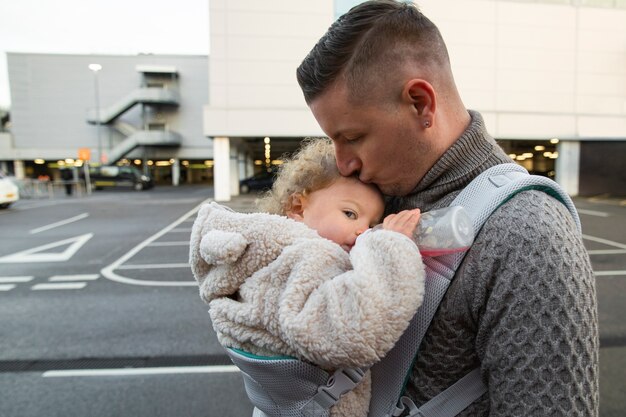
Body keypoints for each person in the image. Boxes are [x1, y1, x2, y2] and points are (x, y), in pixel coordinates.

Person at [295, 1, 599, 416]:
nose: (344, 162)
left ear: (421, 103)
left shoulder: (529, 235)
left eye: (353, 136)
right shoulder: (377, 198)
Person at [190, 138, 426, 417]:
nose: (364, 231)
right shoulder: (307, 258)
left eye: (372, 224)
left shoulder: (267, 256)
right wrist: (390, 248)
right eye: (350, 213)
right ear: (298, 207)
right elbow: (350, 332)